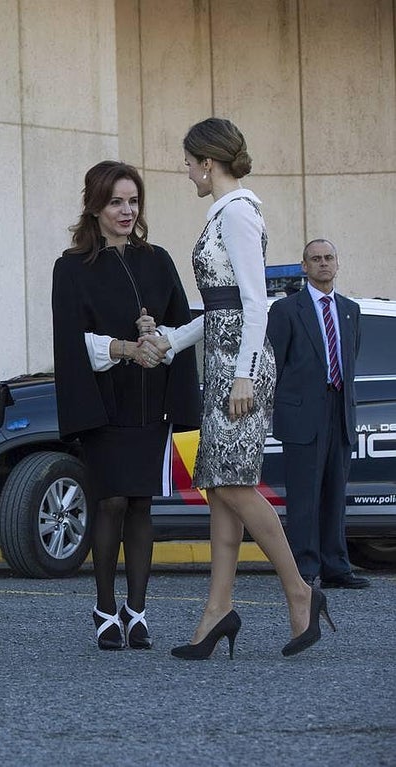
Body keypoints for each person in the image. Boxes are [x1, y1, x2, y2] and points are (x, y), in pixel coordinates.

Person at [142, 118, 329, 659]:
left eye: (187, 161)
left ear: (206, 161)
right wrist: (172, 340)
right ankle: (217, 610)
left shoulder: (240, 212)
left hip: (241, 366)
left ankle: (300, 593)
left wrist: (245, 371)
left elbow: (255, 302)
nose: (185, 171)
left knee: (234, 486)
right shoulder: (225, 212)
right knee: (223, 488)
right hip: (225, 359)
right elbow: (220, 306)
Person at [51, 161, 200, 650]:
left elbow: (186, 321)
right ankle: (103, 607)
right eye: (116, 201)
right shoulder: (71, 268)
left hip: (149, 400)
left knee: (140, 502)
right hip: (104, 401)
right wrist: (124, 348)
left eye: (133, 201)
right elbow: (71, 341)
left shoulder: (157, 259)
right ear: (94, 205)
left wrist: (162, 341)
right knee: (110, 500)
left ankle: (136, 611)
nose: (126, 211)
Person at [267, 239, 369, 589]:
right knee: (304, 497)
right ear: (304, 267)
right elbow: (274, 365)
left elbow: (349, 356)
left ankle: (336, 565)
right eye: (316, 259)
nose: (323, 263)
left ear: (337, 264)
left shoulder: (350, 310)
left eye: (329, 258)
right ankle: (305, 570)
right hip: (301, 415)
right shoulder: (286, 311)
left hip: (340, 410)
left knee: (334, 493)